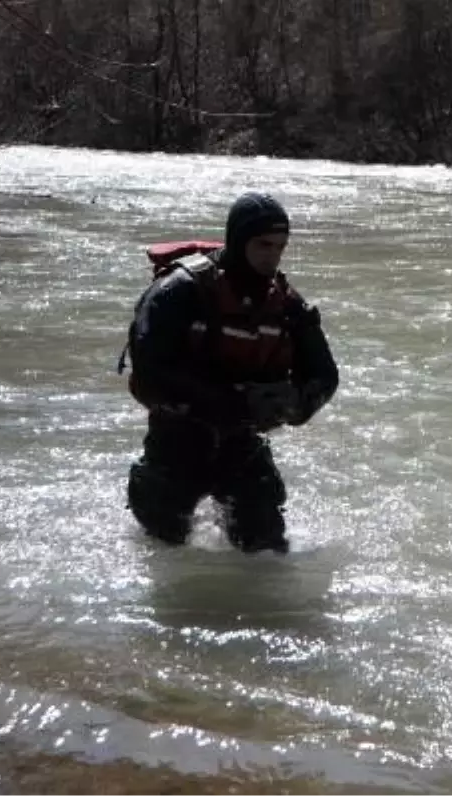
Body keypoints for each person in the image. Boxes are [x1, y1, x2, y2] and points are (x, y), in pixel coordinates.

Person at [122, 192, 339, 554]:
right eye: (263, 245)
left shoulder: (286, 304)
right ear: (239, 242)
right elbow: (149, 371)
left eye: (281, 247)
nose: (273, 256)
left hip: (242, 443)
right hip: (177, 439)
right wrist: (228, 402)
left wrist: (295, 404)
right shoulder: (177, 292)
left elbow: (325, 375)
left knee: (267, 551)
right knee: (162, 551)